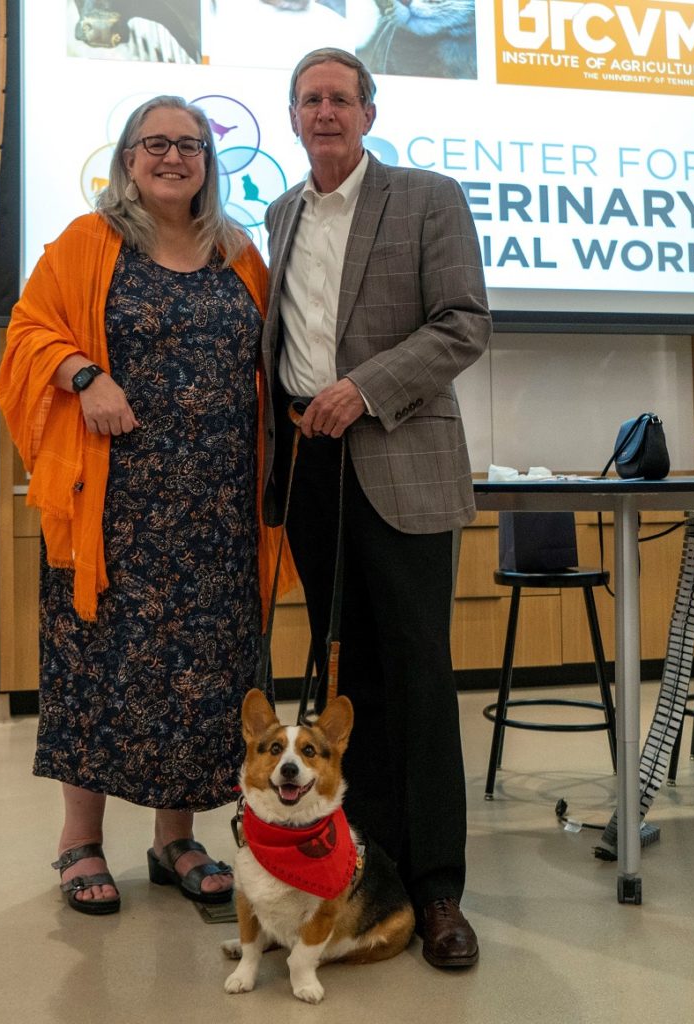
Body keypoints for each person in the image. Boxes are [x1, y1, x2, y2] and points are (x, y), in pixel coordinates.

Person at [0, 95, 291, 916]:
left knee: (205, 680)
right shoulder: (87, 244)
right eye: (154, 144)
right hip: (115, 511)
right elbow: (27, 333)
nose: (173, 157)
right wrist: (84, 376)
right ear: (127, 159)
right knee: (98, 672)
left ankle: (176, 838)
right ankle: (79, 842)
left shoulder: (241, 254)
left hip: (220, 515)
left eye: (189, 145)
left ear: (209, 161)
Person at [261, 48, 491, 967]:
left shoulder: (425, 198)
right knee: (346, 691)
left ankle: (435, 893)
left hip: (400, 460)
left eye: (340, 99)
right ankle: (357, 877)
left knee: (420, 683)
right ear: (291, 115)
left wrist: (362, 386)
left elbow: (463, 322)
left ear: (368, 110)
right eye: (310, 99)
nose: (325, 112)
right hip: (312, 476)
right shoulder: (278, 215)